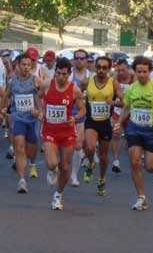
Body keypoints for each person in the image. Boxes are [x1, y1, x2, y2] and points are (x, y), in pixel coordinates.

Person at [115, 56, 153, 210]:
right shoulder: (132, 88)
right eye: (139, 71)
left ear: (150, 71)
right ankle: (141, 197)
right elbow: (127, 107)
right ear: (134, 72)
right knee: (135, 162)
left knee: (150, 167)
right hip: (134, 128)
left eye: (145, 72)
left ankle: (148, 160)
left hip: (152, 130)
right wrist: (119, 123)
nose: (142, 75)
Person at [38, 57, 86, 210]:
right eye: (58, 73)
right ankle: (53, 170)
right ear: (55, 73)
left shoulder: (74, 90)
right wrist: (41, 111)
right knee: (52, 163)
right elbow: (38, 97)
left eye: (64, 74)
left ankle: (58, 195)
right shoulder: (47, 85)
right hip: (50, 131)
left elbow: (83, 110)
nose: (61, 77)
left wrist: (75, 117)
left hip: (67, 133)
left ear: (69, 74)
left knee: (65, 167)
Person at [80, 56, 124, 196]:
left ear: (109, 69)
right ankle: (91, 163)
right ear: (95, 67)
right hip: (91, 121)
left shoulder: (114, 84)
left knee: (104, 156)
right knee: (91, 146)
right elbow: (76, 96)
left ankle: (101, 180)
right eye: (98, 67)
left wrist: (114, 103)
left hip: (105, 123)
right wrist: (81, 106)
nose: (101, 70)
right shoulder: (87, 82)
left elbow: (124, 102)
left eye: (104, 68)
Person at [6, 54, 44, 192]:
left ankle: (32, 163)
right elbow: (7, 97)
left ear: (31, 66)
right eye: (23, 64)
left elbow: (43, 98)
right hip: (18, 118)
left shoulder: (36, 80)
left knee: (31, 147)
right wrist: (3, 110)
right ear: (18, 65)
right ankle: (22, 180)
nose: (26, 67)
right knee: (19, 146)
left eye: (28, 65)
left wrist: (39, 112)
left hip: (32, 120)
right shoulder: (12, 81)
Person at [69, 49, 92, 187]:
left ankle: (74, 175)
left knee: (78, 145)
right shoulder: (67, 74)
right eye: (76, 58)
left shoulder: (91, 76)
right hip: (65, 114)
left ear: (87, 60)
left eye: (82, 58)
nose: (79, 60)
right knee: (64, 147)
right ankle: (56, 168)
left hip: (82, 115)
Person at [110, 58, 134, 173]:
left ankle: (135, 159)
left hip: (131, 112)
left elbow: (129, 102)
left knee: (132, 138)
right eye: (118, 70)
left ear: (128, 69)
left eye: (123, 70)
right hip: (118, 111)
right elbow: (122, 99)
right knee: (116, 134)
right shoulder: (115, 80)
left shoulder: (135, 79)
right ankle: (116, 161)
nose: (120, 73)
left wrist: (114, 102)